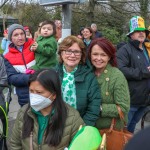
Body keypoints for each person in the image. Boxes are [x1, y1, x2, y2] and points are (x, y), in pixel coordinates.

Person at [10, 69, 84, 149]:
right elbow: (15, 144)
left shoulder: (72, 118)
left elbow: (81, 145)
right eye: (31, 91)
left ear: (54, 94)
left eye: (39, 92)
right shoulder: (23, 112)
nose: (34, 96)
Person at [56, 35, 101, 126]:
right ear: (61, 53)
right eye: (68, 51)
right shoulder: (53, 74)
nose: (72, 55)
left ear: (82, 55)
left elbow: (94, 107)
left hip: (80, 126)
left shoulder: (89, 77)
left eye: (77, 52)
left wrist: (83, 127)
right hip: (56, 125)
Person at [117, 16, 150, 133]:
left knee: (132, 126)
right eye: (137, 31)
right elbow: (121, 70)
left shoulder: (147, 49)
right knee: (123, 129)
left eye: (143, 31)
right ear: (131, 35)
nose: (141, 33)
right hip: (131, 99)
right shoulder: (124, 50)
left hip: (145, 99)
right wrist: (145, 72)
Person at [88, 37, 130, 130]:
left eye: (103, 55)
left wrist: (99, 108)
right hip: (88, 128)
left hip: (109, 130)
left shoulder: (117, 76)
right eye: (95, 54)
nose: (98, 58)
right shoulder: (86, 72)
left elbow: (123, 108)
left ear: (109, 56)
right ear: (90, 55)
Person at [3, 23, 35, 106]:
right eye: (16, 35)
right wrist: (32, 77)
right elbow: (12, 78)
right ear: (11, 38)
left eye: (22, 34)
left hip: (42, 91)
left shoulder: (35, 47)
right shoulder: (7, 57)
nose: (20, 37)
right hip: (24, 95)